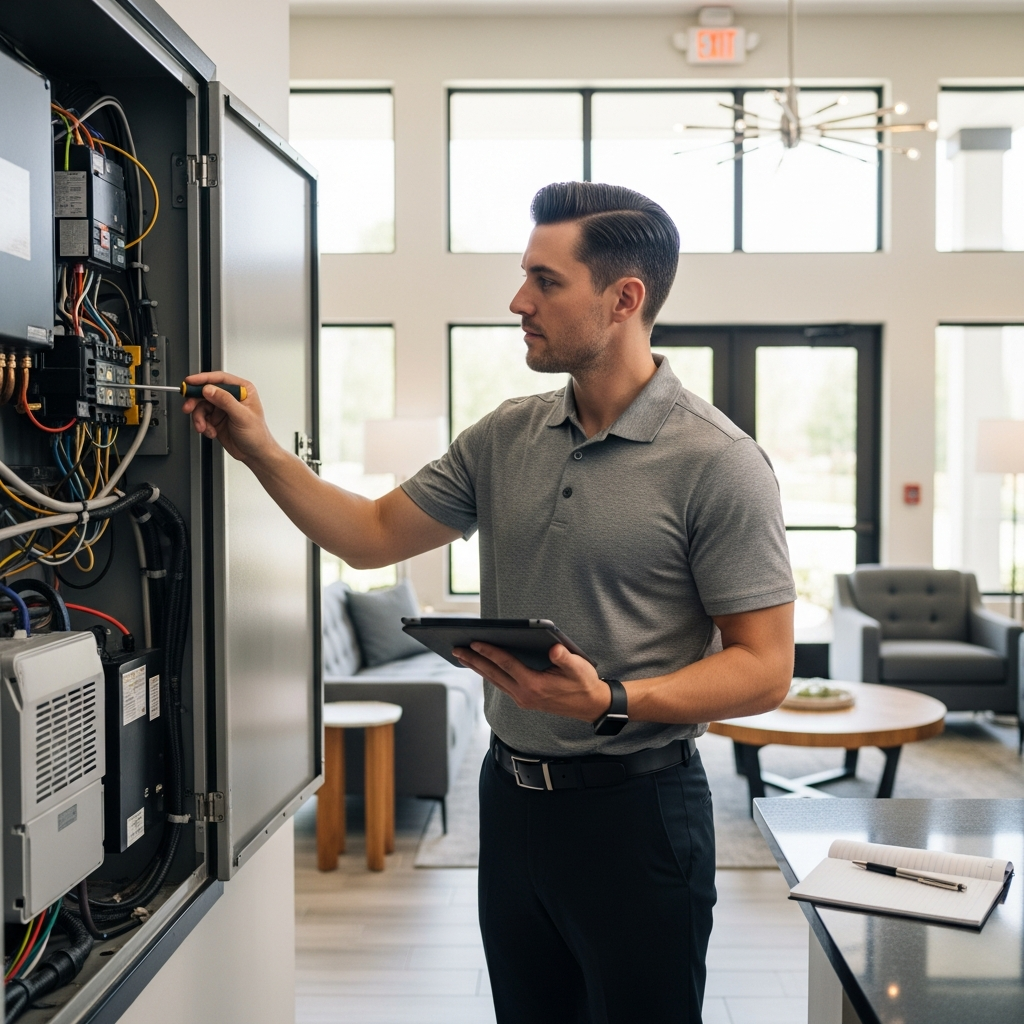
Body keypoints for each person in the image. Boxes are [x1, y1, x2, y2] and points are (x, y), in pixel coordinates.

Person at [183, 181, 796, 1024]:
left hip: (639, 817)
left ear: (625, 299)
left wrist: (613, 700)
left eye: (546, 281)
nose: (519, 301)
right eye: (524, 277)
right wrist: (256, 450)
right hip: (510, 808)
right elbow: (366, 534)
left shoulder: (718, 461)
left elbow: (765, 670)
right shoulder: (504, 435)